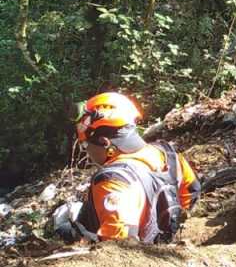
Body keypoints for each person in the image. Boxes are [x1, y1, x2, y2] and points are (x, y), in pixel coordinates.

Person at [56, 91, 200, 243]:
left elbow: (118, 244)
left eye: (86, 145)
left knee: (63, 228)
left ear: (105, 142)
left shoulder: (112, 181)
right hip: (163, 243)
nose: (87, 151)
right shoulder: (169, 155)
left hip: (140, 260)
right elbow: (192, 192)